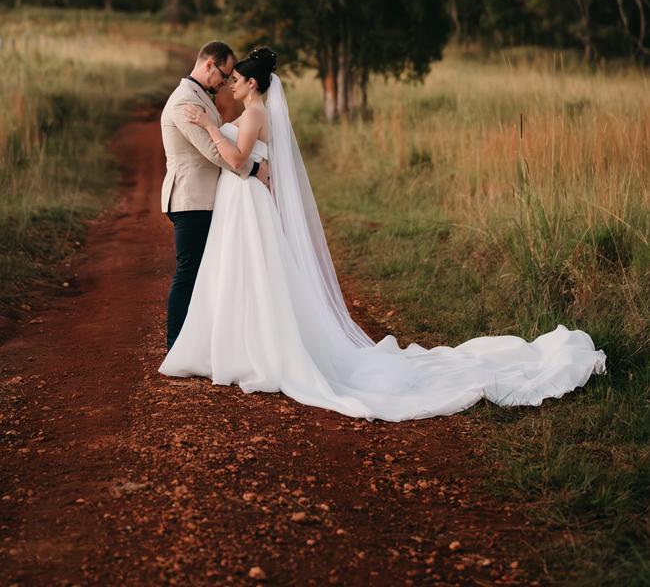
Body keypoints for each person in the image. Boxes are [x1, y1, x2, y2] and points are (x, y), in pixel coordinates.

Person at [159, 47, 607, 422]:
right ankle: (238, 343)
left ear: (252, 85)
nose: (232, 85)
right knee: (243, 275)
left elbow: (237, 161)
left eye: (237, 79)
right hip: (243, 203)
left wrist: (213, 128)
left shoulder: (253, 114)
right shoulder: (246, 109)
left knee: (253, 274)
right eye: (229, 77)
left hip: (247, 200)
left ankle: (255, 349)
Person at [160, 41, 269, 351]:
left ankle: (203, 342)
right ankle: (176, 345)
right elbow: (212, 151)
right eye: (224, 74)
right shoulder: (184, 102)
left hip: (209, 199)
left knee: (209, 273)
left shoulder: (199, 97)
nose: (224, 82)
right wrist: (254, 167)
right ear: (209, 65)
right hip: (191, 199)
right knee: (190, 272)